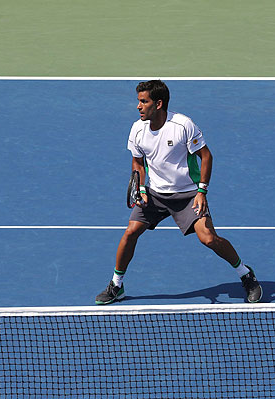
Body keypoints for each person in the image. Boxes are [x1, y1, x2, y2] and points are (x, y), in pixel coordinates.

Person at [95, 80, 262, 305]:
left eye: (144, 101)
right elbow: (137, 162)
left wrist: (202, 191)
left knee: (209, 239)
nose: (138, 106)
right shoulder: (137, 129)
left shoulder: (183, 125)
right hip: (154, 195)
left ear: (159, 103)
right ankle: (117, 285)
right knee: (130, 232)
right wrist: (142, 189)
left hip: (187, 196)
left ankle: (246, 274)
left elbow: (206, 156)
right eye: (138, 101)